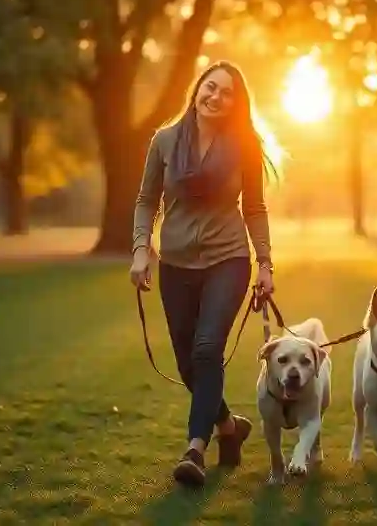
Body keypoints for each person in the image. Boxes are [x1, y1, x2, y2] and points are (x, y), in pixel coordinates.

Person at [129, 60, 277, 487]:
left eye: (227, 92)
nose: (216, 96)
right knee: (188, 361)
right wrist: (142, 249)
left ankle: (195, 448)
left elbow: (255, 208)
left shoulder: (245, 146)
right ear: (197, 90)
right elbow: (145, 200)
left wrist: (264, 263)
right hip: (174, 264)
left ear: (236, 103)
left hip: (227, 259)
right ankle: (230, 428)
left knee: (207, 348)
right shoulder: (164, 141)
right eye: (210, 87)